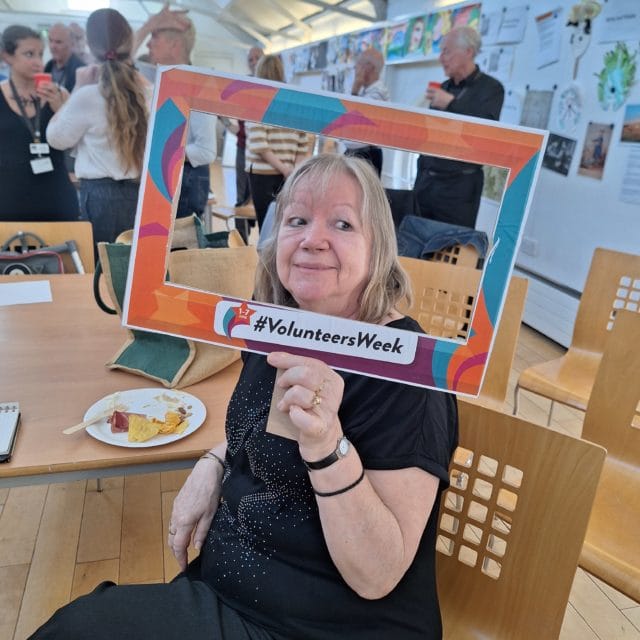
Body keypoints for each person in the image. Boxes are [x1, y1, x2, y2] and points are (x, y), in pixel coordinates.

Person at [30, 153, 458, 640]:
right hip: (231, 589)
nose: (312, 239)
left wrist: (326, 446)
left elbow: (377, 575)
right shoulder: (277, 323)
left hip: (323, 624)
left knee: (79, 630)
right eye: (297, 220)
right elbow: (261, 428)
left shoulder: (408, 370)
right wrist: (213, 462)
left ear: (378, 246)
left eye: (342, 224)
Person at [46, 9, 151, 248]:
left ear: (91, 48)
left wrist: (77, 88)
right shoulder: (149, 92)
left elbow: (56, 138)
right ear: (130, 43)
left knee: (102, 264)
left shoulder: (88, 95)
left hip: (100, 197)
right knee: (136, 262)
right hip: (143, 192)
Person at [413, 26, 504, 229]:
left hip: (459, 191)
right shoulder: (443, 87)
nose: (441, 58)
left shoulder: (491, 88)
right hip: (426, 183)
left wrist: (451, 104)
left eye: (446, 51)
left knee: (452, 243)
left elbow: (485, 132)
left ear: (468, 52)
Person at [136, 4, 218, 219]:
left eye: (155, 37)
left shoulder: (199, 85)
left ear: (174, 44)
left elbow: (206, 150)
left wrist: (160, 153)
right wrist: (149, 26)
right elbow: (117, 59)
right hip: (165, 177)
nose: (148, 43)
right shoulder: (158, 77)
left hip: (184, 183)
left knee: (179, 242)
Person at [0, 25, 79, 222]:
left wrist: (61, 111)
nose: (38, 61)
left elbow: (75, 145)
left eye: (40, 54)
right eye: (29, 54)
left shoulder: (59, 94)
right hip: (9, 199)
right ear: (7, 56)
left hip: (56, 197)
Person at [246, 54, 309, 230]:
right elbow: (303, 142)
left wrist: (285, 169)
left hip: (263, 174)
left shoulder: (256, 100)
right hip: (289, 174)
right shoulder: (295, 102)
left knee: (266, 227)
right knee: (287, 226)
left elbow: (259, 144)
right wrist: (293, 170)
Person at [343, 48, 389, 176]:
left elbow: (352, 123)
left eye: (358, 64)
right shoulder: (369, 92)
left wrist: (354, 91)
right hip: (361, 154)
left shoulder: (377, 95)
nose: (355, 69)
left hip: (364, 155)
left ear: (368, 68)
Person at [44, 23, 86, 92]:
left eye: (58, 42)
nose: (52, 46)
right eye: (50, 40)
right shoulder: (48, 67)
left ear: (71, 44)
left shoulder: (81, 71)